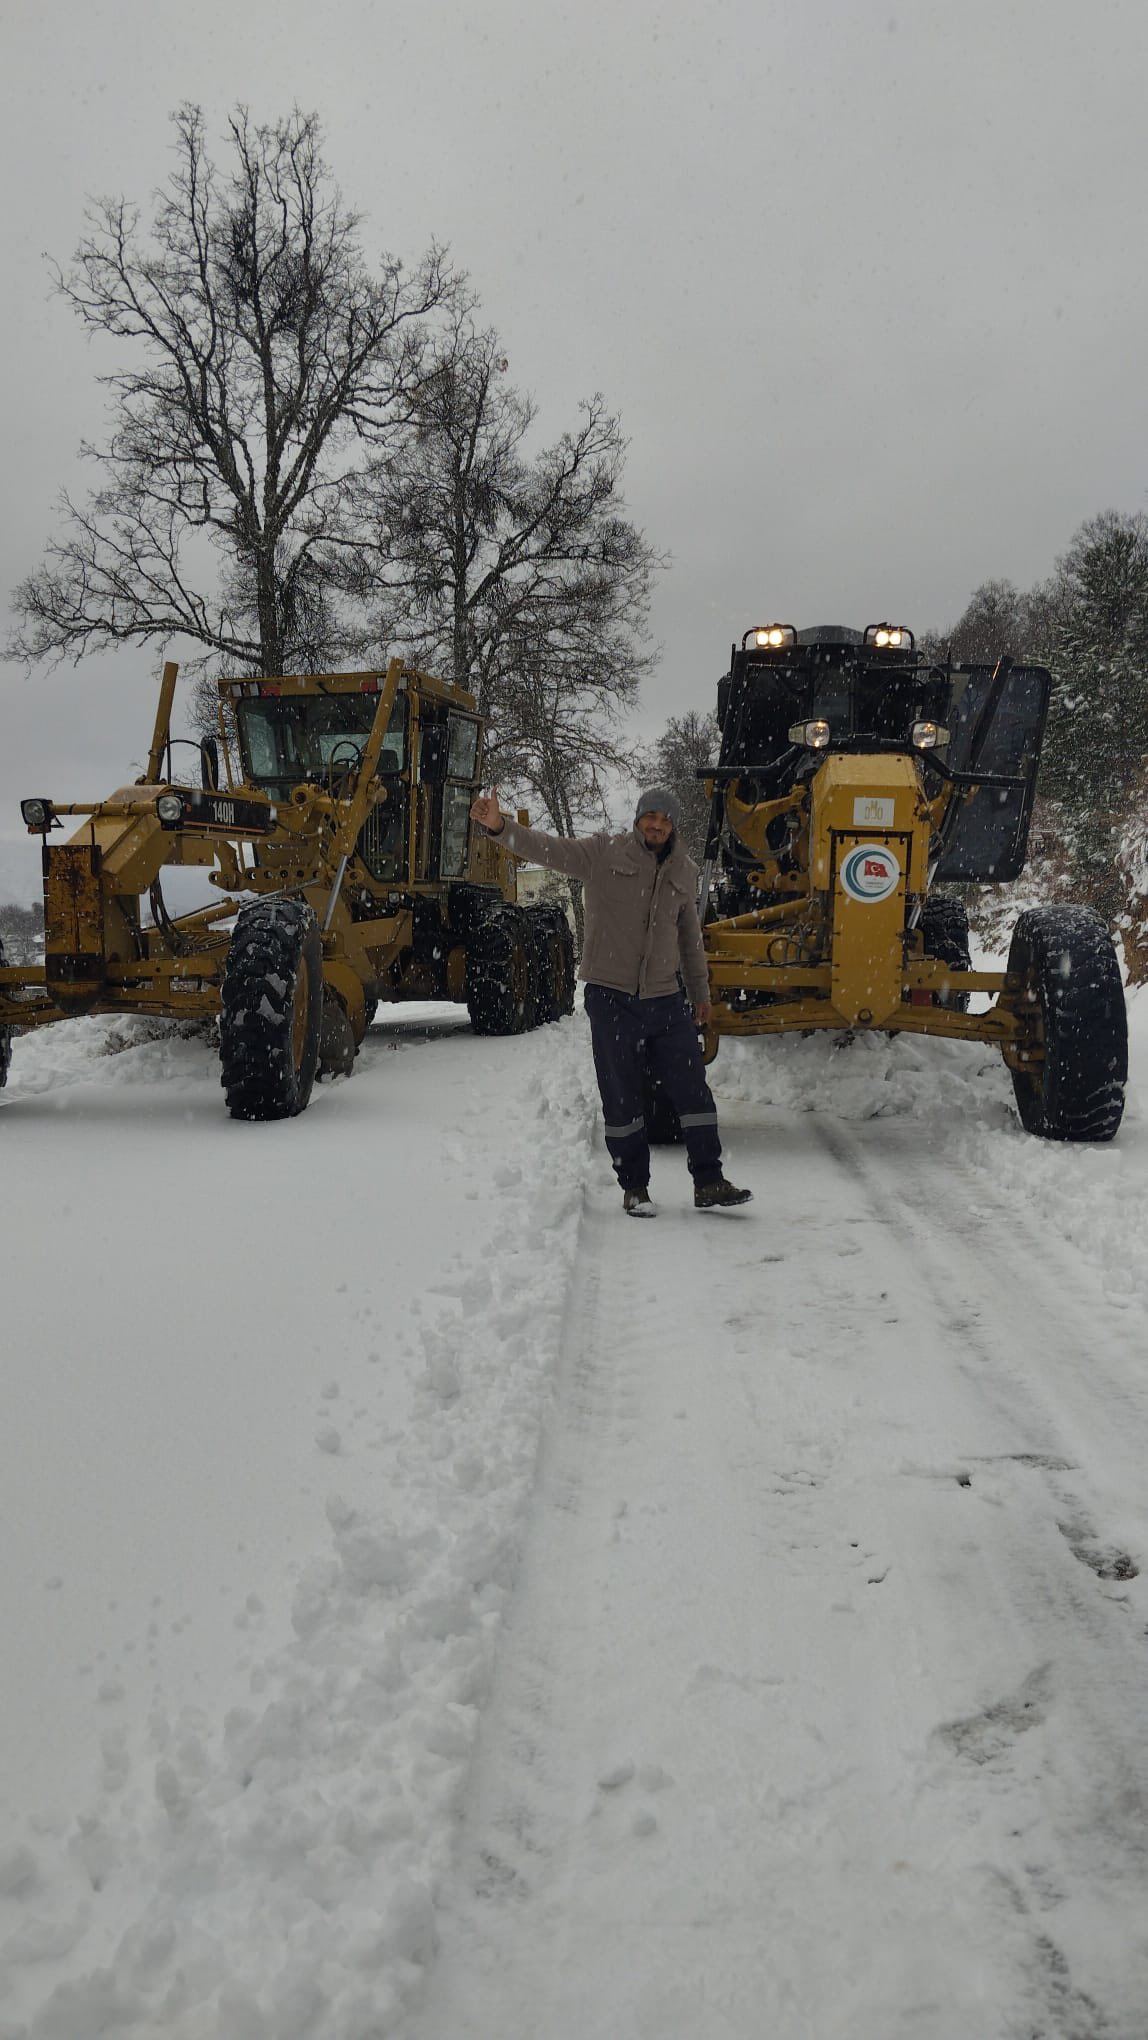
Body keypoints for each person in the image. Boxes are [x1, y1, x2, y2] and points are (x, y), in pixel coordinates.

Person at [469, 784, 752, 1216]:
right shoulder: (604, 853)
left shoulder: (685, 870)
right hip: (611, 996)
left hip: (665, 997)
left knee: (693, 1089)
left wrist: (700, 993)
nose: (657, 825)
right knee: (621, 1095)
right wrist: (499, 827)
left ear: (673, 826)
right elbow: (548, 848)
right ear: (637, 819)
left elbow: (690, 939)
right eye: (650, 817)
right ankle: (635, 1187)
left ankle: (709, 1180)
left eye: (665, 819)